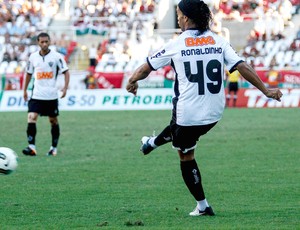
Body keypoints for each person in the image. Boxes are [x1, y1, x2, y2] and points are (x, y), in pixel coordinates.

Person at [126, 0, 283, 217]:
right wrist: (265, 91)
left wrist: (132, 81)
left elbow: (146, 67)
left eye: (180, 15)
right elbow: (242, 66)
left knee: (185, 152)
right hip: (214, 113)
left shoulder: (177, 44)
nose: (179, 18)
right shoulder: (219, 41)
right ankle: (150, 144)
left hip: (187, 113)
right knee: (180, 132)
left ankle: (202, 206)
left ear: (187, 18)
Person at [22, 32, 70, 156]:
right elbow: (28, 73)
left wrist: (65, 88)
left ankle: (53, 148)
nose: (44, 44)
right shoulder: (33, 57)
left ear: (49, 42)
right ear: (38, 42)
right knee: (31, 117)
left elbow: (66, 72)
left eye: (46, 42)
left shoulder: (57, 57)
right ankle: (31, 147)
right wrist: (24, 90)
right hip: (37, 95)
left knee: (53, 121)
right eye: (42, 42)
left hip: (51, 95)